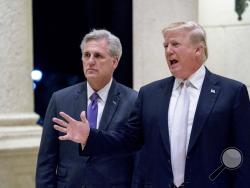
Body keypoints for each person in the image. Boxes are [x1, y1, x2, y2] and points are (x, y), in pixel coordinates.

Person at [53, 21, 250, 188]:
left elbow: (241, 155)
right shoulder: (150, 94)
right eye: (165, 46)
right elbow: (127, 140)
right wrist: (90, 137)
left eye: (175, 44)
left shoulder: (231, 92)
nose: (168, 51)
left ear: (198, 49)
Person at [36, 29, 138, 188]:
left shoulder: (133, 101)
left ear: (114, 62)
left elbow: (137, 160)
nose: (90, 61)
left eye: (98, 56)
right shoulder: (60, 99)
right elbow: (46, 160)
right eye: (86, 55)